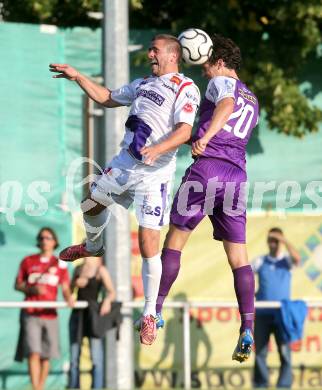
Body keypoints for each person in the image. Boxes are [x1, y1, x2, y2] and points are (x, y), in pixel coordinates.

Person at [49, 34, 200, 345]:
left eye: (154, 51)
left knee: (148, 243)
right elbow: (106, 97)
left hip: (153, 175)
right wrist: (78, 76)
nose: (150, 55)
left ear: (173, 55)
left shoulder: (185, 87)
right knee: (90, 206)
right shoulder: (143, 84)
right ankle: (92, 247)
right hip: (124, 165)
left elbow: (185, 130)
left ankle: (148, 314)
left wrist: (159, 149)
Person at [154, 34, 259, 362]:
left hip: (208, 169)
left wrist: (205, 138)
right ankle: (247, 326)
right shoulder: (253, 99)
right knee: (239, 258)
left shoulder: (221, 84)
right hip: (237, 176)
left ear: (221, 62)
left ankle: (153, 310)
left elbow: (225, 105)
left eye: (207, 65)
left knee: (174, 241)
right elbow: (233, 124)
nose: (204, 72)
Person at [15, 227, 73, 390]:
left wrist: (69, 298)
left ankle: (41, 386)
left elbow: (66, 287)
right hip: (31, 313)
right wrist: (31, 289)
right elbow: (17, 285)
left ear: (54, 242)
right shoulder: (28, 261)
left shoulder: (60, 263)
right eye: (41, 238)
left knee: (46, 356)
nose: (44, 241)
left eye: (48, 238)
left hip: (50, 314)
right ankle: (36, 388)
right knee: (33, 352)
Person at [252, 227, 301, 388]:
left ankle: (284, 385)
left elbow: (297, 259)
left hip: (283, 315)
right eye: (271, 240)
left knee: (285, 353)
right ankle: (261, 384)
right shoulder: (260, 261)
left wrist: (284, 239)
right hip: (262, 313)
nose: (273, 243)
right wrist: (251, 292)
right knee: (260, 353)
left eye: (276, 240)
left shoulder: (286, 261)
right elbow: (246, 277)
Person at [68, 256, 116, 389]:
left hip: (93, 316)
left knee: (96, 358)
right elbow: (70, 291)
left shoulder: (100, 270)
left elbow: (112, 292)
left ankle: (97, 387)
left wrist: (106, 301)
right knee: (74, 358)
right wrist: (75, 283)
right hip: (78, 315)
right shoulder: (78, 269)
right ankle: (73, 386)